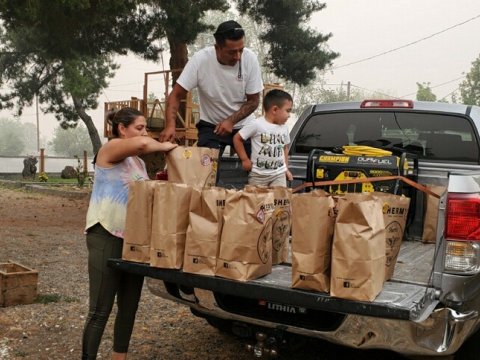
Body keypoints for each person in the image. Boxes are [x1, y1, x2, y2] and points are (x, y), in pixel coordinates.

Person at [82, 107, 177, 360]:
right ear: (122, 129)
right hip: (106, 233)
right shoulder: (110, 149)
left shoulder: (138, 162)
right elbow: (145, 144)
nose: (144, 133)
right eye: (139, 127)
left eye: (145, 128)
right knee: (100, 309)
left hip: (133, 241)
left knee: (129, 308)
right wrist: (165, 145)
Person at [160, 20, 263, 156]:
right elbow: (176, 95)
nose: (238, 57)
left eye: (241, 50)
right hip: (211, 126)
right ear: (217, 48)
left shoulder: (250, 59)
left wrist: (231, 121)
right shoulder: (200, 60)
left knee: (256, 169)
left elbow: (254, 101)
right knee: (206, 171)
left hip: (244, 124)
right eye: (232, 52)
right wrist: (170, 125)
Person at [233, 89, 294, 187]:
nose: (289, 115)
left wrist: (286, 169)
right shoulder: (256, 124)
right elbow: (237, 138)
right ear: (274, 110)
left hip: (278, 175)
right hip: (258, 176)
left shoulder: (285, 128)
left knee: (279, 200)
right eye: (288, 111)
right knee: (257, 201)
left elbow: (285, 148)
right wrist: (244, 159)